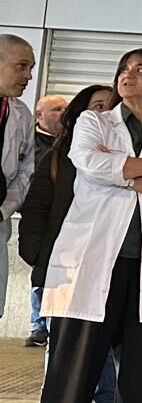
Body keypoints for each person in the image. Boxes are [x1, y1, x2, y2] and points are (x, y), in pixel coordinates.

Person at [41, 48, 142, 403]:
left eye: (140, 69)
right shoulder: (94, 122)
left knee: (139, 381)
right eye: (123, 69)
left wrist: (122, 169)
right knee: (72, 378)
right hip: (94, 262)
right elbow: (91, 163)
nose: (127, 75)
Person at [19, 84, 118, 400]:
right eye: (98, 106)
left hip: (112, 272)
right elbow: (36, 210)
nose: (105, 112)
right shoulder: (57, 158)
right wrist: (39, 255)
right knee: (65, 353)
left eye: (113, 106)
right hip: (64, 272)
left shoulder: (128, 160)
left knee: (107, 355)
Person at [24, 92, 68, 346]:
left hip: (60, 219)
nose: (63, 113)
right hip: (38, 215)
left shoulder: (69, 143)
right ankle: (38, 324)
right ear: (39, 115)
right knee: (40, 271)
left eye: (65, 109)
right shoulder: (30, 142)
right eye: (56, 109)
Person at [0, 34, 39, 320]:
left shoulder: (21, 115)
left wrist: (4, 209)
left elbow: (26, 171)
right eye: (21, 66)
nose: (28, 76)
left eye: (31, 68)